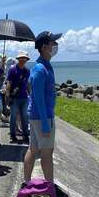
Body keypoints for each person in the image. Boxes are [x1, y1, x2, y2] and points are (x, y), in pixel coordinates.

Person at [24, 31, 62, 188]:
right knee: (46, 154)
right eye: (53, 43)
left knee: (33, 149)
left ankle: (27, 183)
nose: (56, 46)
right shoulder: (40, 68)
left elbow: (29, 89)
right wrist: (46, 123)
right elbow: (38, 96)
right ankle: (49, 187)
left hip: (37, 116)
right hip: (42, 118)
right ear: (45, 46)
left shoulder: (43, 65)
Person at [5, 51, 30, 143]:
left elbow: (27, 83)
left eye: (25, 58)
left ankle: (26, 135)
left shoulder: (27, 71)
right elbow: (9, 83)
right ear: (18, 59)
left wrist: (30, 94)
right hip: (14, 97)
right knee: (13, 117)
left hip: (24, 97)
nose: (23, 60)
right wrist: (7, 96)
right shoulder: (12, 69)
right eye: (21, 58)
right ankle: (12, 135)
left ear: (27, 60)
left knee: (24, 116)